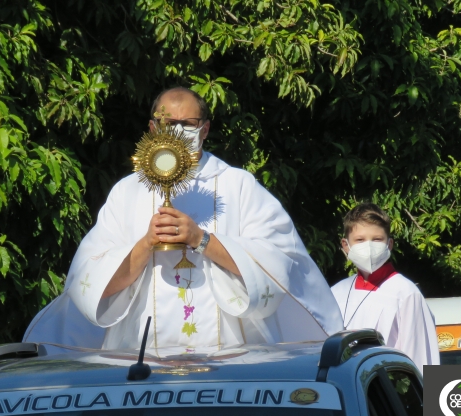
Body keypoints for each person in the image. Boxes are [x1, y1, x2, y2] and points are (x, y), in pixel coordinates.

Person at [24, 87, 342, 350]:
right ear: (151, 129)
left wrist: (201, 239)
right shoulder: (127, 193)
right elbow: (92, 281)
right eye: (166, 122)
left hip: (227, 359)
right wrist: (146, 244)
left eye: (187, 123)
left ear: (204, 129)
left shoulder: (238, 187)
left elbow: (277, 267)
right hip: (139, 356)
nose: (176, 131)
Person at [330, 203, 439, 372]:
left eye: (377, 239)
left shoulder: (406, 294)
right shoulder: (336, 292)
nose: (369, 246)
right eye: (360, 240)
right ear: (345, 245)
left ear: (389, 244)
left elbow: (420, 360)